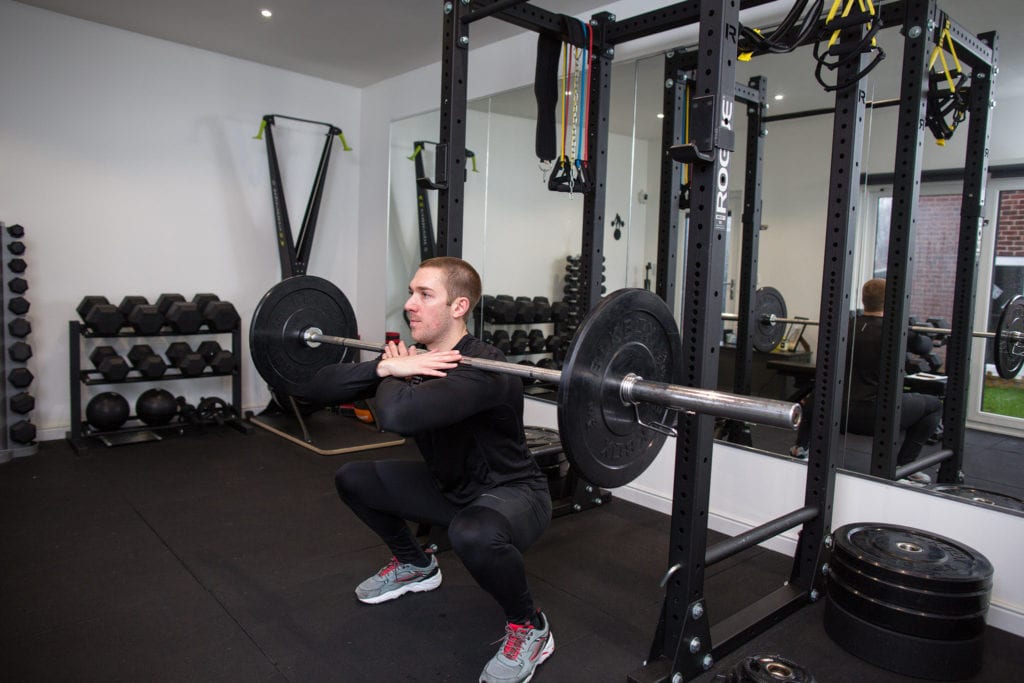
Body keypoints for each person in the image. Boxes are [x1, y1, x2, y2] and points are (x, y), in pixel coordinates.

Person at [294, 257, 554, 683]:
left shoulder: (483, 367)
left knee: (471, 533)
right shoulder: (411, 360)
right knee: (353, 479)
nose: (409, 304)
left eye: (424, 295)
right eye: (411, 292)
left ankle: (531, 627)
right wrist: (386, 366)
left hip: (512, 495)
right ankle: (416, 565)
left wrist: (396, 372)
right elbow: (316, 387)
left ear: (459, 307)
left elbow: (400, 416)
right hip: (448, 488)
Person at [790, 279, 943, 486]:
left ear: (864, 300)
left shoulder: (844, 326)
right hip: (873, 416)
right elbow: (925, 346)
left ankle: (801, 447)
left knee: (818, 392)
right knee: (934, 405)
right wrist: (915, 329)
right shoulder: (897, 331)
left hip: (832, 411)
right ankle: (904, 467)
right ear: (891, 300)